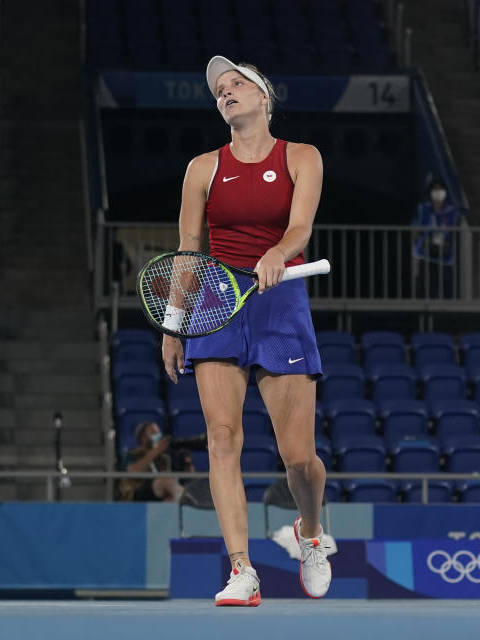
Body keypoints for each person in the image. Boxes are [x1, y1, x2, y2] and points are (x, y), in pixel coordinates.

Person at [161, 56, 330, 605]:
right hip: (217, 301)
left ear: (263, 98)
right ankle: (242, 570)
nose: (225, 93)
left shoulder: (301, 156)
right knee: (222, 436)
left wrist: (279, 252)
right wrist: (174, 323)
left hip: (279, 303)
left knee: (298, 456)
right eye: (219, 90)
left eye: (236, 85)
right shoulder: (202, 168)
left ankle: (309, 530)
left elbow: (300, 225)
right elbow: (190, 249)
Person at [412, 177, 460, 299]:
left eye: (440, 189)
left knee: (443, 291)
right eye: (435, 189)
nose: (438, 192)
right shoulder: (423, 209)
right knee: (422, 290)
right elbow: (415, 231)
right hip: (424, 255)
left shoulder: (452, 212)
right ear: (430, 192)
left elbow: (454, 232)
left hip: (444, 256)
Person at [117, 421, 188, 502]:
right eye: (154, 433)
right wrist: (156, 451)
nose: (159, 436)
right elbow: (132, 472)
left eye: (159, 433)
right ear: (142, 438)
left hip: (157, 496)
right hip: (139, 492)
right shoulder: (132, 455)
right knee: (165, 479)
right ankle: (191, 502)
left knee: (170, 499)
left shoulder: (164, 457)